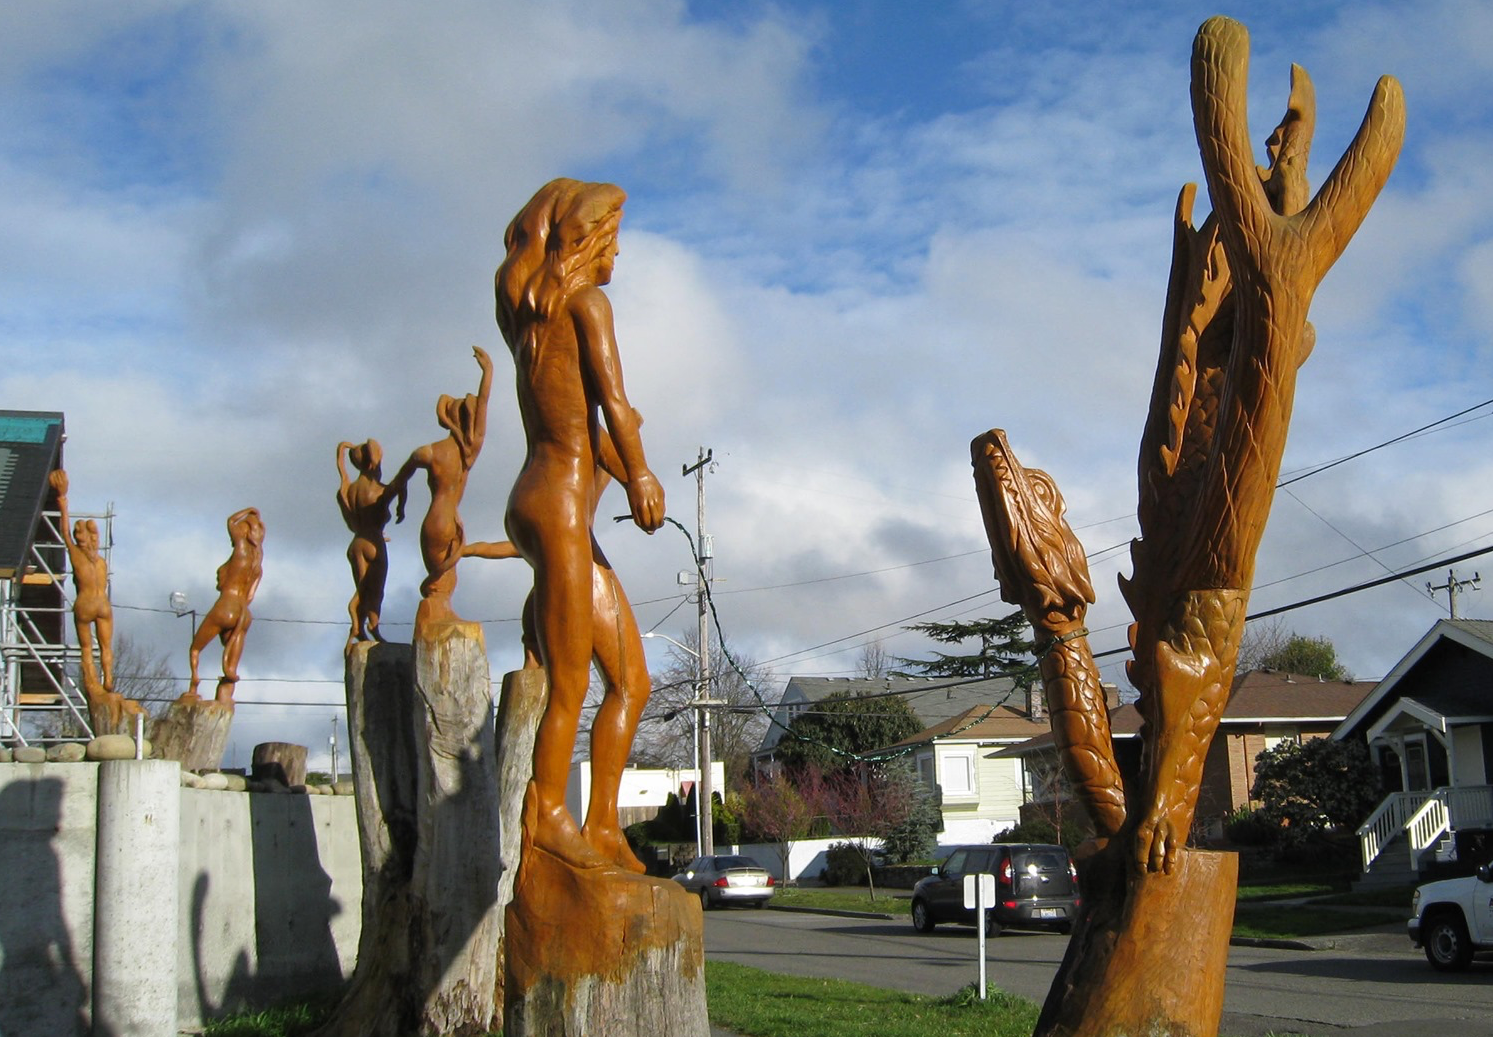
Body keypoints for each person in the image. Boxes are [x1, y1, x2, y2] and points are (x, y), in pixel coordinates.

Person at [496, 179, 664, 871]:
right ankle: (547, 813)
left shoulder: (529, 320)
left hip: (540, 499)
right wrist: (643, 472)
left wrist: (619, 468)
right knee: (570, 680)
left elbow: (574, 423)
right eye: (613, 236)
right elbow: (613, 405)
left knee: (632, 681)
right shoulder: (588, 305)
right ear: (586, 238)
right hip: (560, 506)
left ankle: (601, 826)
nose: (618, 251)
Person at [393, 346, 493, 630]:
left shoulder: (430, 452)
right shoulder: (468, 452)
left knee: (442, 578)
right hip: (451, 519)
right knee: (442, 580)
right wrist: (488, 373)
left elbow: (399, 480)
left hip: (435, 519)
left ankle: (438, 614)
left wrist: (399, 499)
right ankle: (435, 618)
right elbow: (484, 403)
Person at [335, 439, 408, 650]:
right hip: (374, 544)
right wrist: (401, 508)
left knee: (363, 587)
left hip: (356, 542)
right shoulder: (380, 490)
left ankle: (358, 626)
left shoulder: (349, 490)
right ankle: (372, 627)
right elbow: (401, 484)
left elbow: (354, 523)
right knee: (374, 591)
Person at [47, 469, 113, 698]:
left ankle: (92, 680)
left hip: (85, 604)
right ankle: (109, 677)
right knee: (106, 646)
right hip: (103, 604)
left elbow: (64, 531)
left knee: (87, 647)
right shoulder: (101, 561)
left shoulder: (76, 555)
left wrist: (62, 499)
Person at [188, 507, 265, 702]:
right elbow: (250, 596)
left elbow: (230, 521)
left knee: (195, 649)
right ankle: (228, 683)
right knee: (232, 657)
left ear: (244, 532)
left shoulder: (240, 550)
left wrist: (249, 510)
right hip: (243, 612)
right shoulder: (257, 564)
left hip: (227, 605)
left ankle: (194, 683)